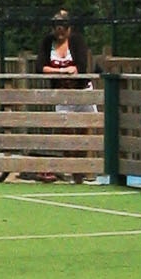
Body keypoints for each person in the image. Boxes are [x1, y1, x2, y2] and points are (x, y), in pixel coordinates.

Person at [37, 9, 96, 182]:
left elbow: (81, 66)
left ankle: (84, 170)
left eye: (63, 27)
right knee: (66, 131)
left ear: (69, 28)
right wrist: (61, 71)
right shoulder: (48, 42)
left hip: (81, 91)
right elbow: (41, 67)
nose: (60, 31)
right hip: (62, 94)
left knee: (85, 130)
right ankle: (70, 169)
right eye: (57, 28)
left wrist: (69, 71)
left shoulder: (77, 41)